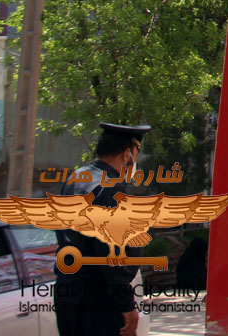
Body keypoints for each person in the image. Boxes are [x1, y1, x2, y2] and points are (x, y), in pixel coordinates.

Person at [54, 122, 151, 336]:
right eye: (136, 155)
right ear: (128, 155)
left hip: (67, 292)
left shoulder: (77, 178)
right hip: (98, 300)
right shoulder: (109, 190)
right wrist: (127, 306)